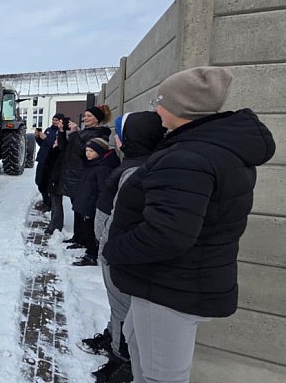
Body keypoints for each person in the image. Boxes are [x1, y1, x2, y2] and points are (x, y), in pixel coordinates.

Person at [103, 67, 275, 383]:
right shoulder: (214, 150)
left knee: (161, 377)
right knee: (141, 352)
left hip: (169, 288)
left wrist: (114, 249)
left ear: (181, 108)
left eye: (159, 101)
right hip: (180, 281)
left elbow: (166, 235)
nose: (155, 109)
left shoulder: (187, 158)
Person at [80, 110, 168, 383]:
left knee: (123, 310)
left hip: (117, 253)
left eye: (121, 133)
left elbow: (122, 215)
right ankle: (113, 337)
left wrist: (109, 246)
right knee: (118, 306)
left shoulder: (134, 171)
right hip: (113, 250)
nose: (116, 137)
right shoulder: (135, 164)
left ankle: (121, 359)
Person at [47, 106, 111, 236]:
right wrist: (61, 132)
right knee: (76, 206)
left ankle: (83, 238)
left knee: (81, 207)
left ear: (97, 119)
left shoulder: (99, 133)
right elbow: (64, 147)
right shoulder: (86, 132)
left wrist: (75, 133)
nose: (85, 118)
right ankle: (77, 237)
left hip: (81, 173)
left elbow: (82, 151)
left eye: (89, 116)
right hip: (71, 172)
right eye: (85, 116)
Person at [70, 137, 119, 267]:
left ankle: (92, 255)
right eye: (87, 150)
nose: (88, 153)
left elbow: (102, 190)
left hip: (91, 206)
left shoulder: (103, 168)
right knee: (86, 230)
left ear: (100, 151)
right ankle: (89, 250)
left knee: (91, 232)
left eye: (91, 151)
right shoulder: (92, 164)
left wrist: (93, 206)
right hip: (86, 203)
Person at [34, 114, 62, 211]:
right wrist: (38, 137)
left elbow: (56, 146)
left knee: (45, 183)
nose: (54, 122)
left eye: (56, 120)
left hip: (51, 162)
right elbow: (43, 144)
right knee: (38, 181)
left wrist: (46, 138)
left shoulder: (61, 133)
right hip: (42, 159)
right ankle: (46, 201)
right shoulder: (48, 130)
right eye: (53, 119)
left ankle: (48, 204)